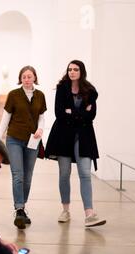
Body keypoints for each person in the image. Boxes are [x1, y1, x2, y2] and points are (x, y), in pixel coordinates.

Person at [45, 60, 106, 228]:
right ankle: (65, 210)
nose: (72, 72)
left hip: (84, 136)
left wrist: (72, 112)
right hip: (63, 136)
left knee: (85, 173)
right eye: (70, 69)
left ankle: (90, 214)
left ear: (81, 71)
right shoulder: (62, 88)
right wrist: (80, 113)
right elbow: (59, 113)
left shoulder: (90, 91)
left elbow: (91, 115)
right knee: (64, 173)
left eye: (75, 69)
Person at [0, 66, 47, 229]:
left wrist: (41, 129)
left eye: (29, 76)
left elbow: (41, 117)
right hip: (14, 139)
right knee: (18, 174)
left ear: (34, 78)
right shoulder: (13, 95)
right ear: (21, 79)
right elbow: (6, 118)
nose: (27, 79)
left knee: (28, 176)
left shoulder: (40, 96)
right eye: (24, 77)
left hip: (33, 140)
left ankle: (22, 208)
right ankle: (19, 209)